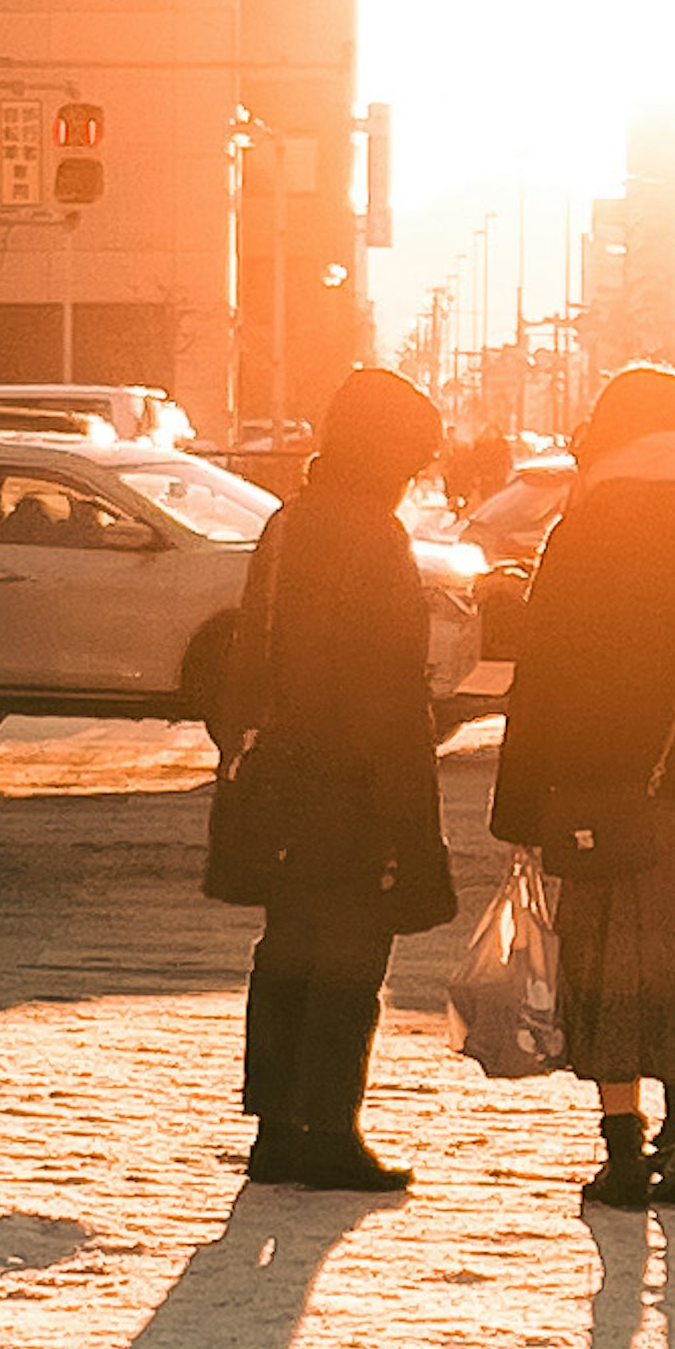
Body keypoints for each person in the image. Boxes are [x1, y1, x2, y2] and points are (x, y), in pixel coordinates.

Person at [490, 361, 675, 1210]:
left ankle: (622, 1160)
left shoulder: (582, 533)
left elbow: (539, 675)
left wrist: (522, 809)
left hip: (604, 794)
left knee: (613, 972)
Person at [203, 360, 455, 1193]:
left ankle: (277, 1126)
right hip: (351, 782)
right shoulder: (370, 536)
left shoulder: (292, 521)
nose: (414, 478)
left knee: (289, 950)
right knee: (350, 957)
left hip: (283, 776)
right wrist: (408, 811)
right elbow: (381, 687)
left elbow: (248, 656)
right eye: (412, 462)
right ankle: (329, 1128)